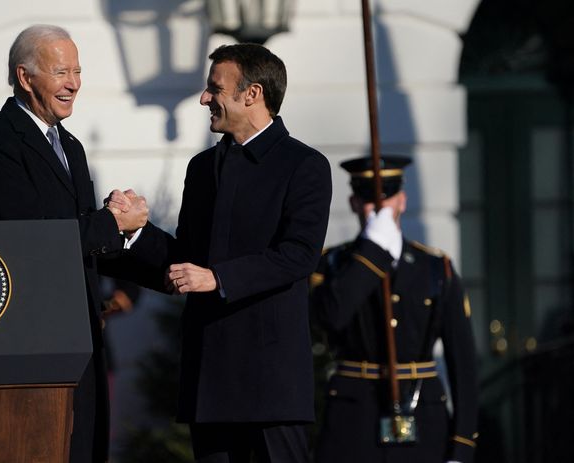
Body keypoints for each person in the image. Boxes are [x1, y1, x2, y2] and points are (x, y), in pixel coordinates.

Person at [122, 43, 332, 462]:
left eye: (214, 88)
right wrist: (135, 232)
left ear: (251, 93)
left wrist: (217, 278)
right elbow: (186, 259)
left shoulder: (304, 165)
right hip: (210, 378)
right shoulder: (201, 168)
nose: (204, 98)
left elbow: (298, 255)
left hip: (270, 384)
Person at [0, 24, 147, 462]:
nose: (74, 83)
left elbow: (87, 242)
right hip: (31, 343)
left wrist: (177, 267)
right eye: (62, 71)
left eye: (77, 71)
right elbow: (30, 243)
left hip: (80, 335)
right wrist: (112, 222)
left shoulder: (71, 146)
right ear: (26, 78)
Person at [310, 155, 479, 463]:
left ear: (402, 201)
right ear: (353, 203)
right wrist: (373, 251)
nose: (377, 207)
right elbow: (331, 318)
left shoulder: (436, 268)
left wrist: (462, 445)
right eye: (367, 198)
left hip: (423, 417)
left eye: (386, 197)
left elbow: (463, 362)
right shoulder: (333, 264)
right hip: (353, 420)